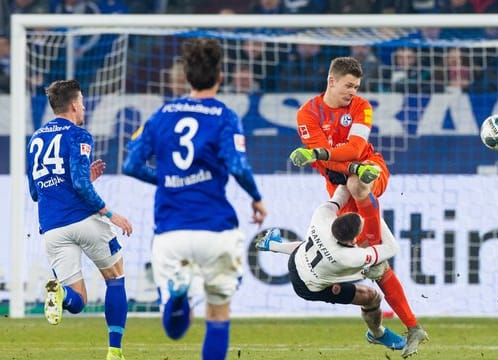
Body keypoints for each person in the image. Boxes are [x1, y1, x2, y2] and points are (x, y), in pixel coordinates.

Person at [122, 37, 267, 360]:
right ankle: (184, 297)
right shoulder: (225, 116)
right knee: (218, 313)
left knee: (175, 328)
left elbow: (130, 164)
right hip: (216, 229)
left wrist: (168, 180)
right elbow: (237, 166)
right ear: (220, 76)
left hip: (171, 231)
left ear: (186, 76)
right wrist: (256, 198)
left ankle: (178, 296)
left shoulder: (161, 115)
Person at [290, 56, 427, 358]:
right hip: (338, 188)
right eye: (348, 86)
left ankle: (373, 238)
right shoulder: (307, 113)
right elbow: (325, 161)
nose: (352, 91)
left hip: (370, 170)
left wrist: (323, 155)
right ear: (331, 81)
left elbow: (350, 149)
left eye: (356, 86)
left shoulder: (361, 107)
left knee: (358, 183)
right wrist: (325, 157)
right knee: (377, 268)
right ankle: (413, 327)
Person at [26, 80, 133, 360]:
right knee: (115, 277)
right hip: (84, 220)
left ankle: (60, 294)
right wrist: (112, 214)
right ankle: (114, 351)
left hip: (52, 229)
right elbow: (82, 186)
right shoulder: (78, 135)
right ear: (74, 105)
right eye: (83, 102)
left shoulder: (35, 139)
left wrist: (83, 180)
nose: (84, 107)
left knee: (78, 301)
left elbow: (35, 192)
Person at [255, 180, 406, 352]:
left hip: (297, 259)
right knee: (371, 296)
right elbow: (391, 248)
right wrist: (373, 211)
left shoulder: (321, 217)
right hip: (308, 287)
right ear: (353, 239)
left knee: (308, 246)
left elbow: (340, 194)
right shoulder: (348, 257)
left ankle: (273, 245)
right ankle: (377, 334)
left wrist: (351, 177)